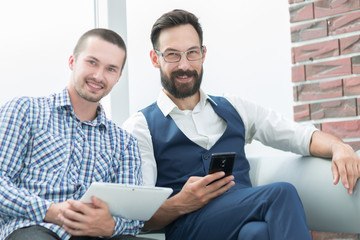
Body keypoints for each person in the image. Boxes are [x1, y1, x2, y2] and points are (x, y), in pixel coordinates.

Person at [122, 9, 360, 240]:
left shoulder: (235, 107)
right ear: (155, 59)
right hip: (189, 228)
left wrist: (339, 147)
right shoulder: (141, 126)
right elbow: (140, 217)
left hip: (243, 220)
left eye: (192, 52)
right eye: (173, 54)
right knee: (281, 193)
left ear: (203, 54)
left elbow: (298, 136)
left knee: (256, 233)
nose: (184, 65)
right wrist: (180, 203)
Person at [0, 28, 149, 240]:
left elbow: (133, 216)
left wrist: (111, 226)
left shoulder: (124, 143)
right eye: (92, 62)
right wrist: (50, 211)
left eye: (110, 69)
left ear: (118, 77)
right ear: (72, 61)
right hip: (34, 228)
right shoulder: (25, 111)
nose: (98, 76)